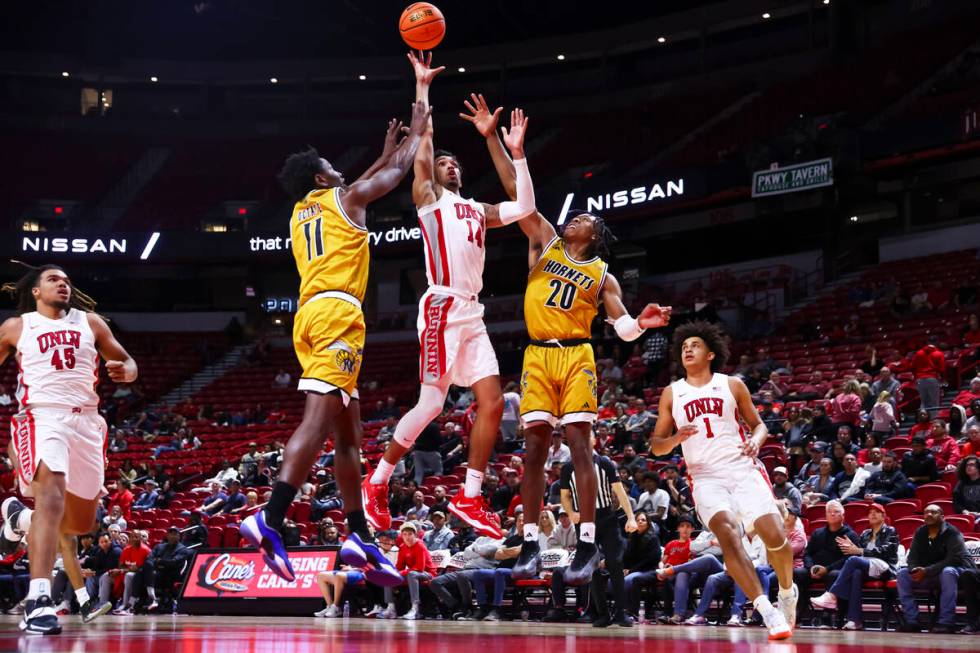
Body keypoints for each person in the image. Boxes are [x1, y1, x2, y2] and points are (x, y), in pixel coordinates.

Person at [240, 93, 430, 584]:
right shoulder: (347, 198)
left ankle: (358, 535)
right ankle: (271, 516)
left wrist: (385, 152)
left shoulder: (305, 208)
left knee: (350, 436)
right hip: (338, 316)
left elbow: (356, 185)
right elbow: (387, 179)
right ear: (324, 177)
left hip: (309, 315)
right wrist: (419, 118)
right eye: (332, 168)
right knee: (320, 422)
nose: (340, 172)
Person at [362, 59, 540, 541]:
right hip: (441, 306)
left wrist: (513, 151)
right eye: (445, 162)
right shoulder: (429, 198)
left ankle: (470, 495)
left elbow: (524, 208)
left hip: (473, 310)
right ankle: (375, 483)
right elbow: (423, 143)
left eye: (455, 163)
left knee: (492, 400)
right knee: (431, 405)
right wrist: (421, 86)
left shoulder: (478, 209)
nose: (450, 164)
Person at [0, 264, 137, 634]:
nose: (63, 284)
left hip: (88, 423)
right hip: (43, 417)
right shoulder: (17, 327)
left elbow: (126, 360)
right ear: (35, 291)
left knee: (79, 523)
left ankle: (19, 519)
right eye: (53, 280)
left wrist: (129, 370)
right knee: (52, 499)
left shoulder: (90, 322)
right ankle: (38, 600)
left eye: (66, 281)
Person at [649, 321, 796, 639]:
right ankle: (766, 610)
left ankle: (787, 592)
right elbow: (656, 446)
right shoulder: (672, 393)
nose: (688, 348)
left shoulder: (732, 385)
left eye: (695, 344)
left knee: (774, 538)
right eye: (684, 345)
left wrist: (756, 441)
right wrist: (675, 439)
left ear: (711, 353)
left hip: (742, 468)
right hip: (705, 477)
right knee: (729, 535)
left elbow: (759, 425)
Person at [558, 436, 637, 627]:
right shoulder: (568, 467)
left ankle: (620, 612)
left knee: (615, 563)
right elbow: (565, 496)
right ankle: (601, 614)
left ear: (594, 441)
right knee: (591, 568)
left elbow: (620, 492)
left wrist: (631, 517)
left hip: (607, 519)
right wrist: (570, 513)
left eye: (588, 436)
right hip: (584, 521)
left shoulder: (605, 463)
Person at [809, 503, 898, 630]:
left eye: (876, 512)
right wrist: (853, 548)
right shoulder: (865, 533)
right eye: (870, 512)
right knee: (856, 572)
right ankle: (855, 620)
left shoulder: (890, 531)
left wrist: (859, 551)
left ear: (883, 516)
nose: (872, 514)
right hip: (867, 568)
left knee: (853, 560)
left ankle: (832, 594)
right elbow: (856, 551)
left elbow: (886, 551)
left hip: (884, 567)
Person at [896, 504, 977, 633]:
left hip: (959, 573)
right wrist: (914, 569)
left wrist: (927, 570)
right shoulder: (920, 532)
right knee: (902, 574)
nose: (929, 515)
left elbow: (954, 559)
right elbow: (912, 557)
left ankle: (946, 622)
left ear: (942, 517)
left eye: (933, 512)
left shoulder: (952, 532)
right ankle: (912, 621)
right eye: (926, 512)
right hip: (931, 573)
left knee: (948, 572)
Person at [378, 522, 436, 620]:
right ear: (402, 536)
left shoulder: (420, 546)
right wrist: (394, 573)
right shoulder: (402, 547)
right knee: (389, 575)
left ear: (415, 535)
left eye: (410, 534)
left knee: (412, 574)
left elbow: (419, 567)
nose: (407, 537)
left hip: (428, 574)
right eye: (405, 534)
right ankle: (391, 608)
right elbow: (400, 566)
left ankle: (415, 609)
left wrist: (400, 573)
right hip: (411, 573)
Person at [621, 512, 662, 618]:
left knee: (627, 580)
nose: (640, 521)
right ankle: (619, 610)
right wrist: (625, 569)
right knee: (612, 581)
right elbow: (626, 557)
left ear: (648, 523)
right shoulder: (632, 538)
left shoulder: (653, 538)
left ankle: (630, 612)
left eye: (643, 520)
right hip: (633, 570)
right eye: (637, 520)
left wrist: (631, 571)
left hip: (648, 570)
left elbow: (652, 560)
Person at [912, 336, 945, 418]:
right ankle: (933, 420)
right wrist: (943, 379)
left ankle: (922, 420)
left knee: (923, 402)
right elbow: (942, 369)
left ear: (927, 343)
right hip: (932, 378)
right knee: (934, 402)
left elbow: (912, 367)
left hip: (920, 379)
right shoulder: (939, 353)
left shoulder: (919, 353)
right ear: (936, 343)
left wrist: (916, 377)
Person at [953, 456, 980, 526]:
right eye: (967, 465)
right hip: (965, 515)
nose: (968, 467)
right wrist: (965, 511)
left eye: (971, 465)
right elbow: (956, 502)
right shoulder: (961, 483)